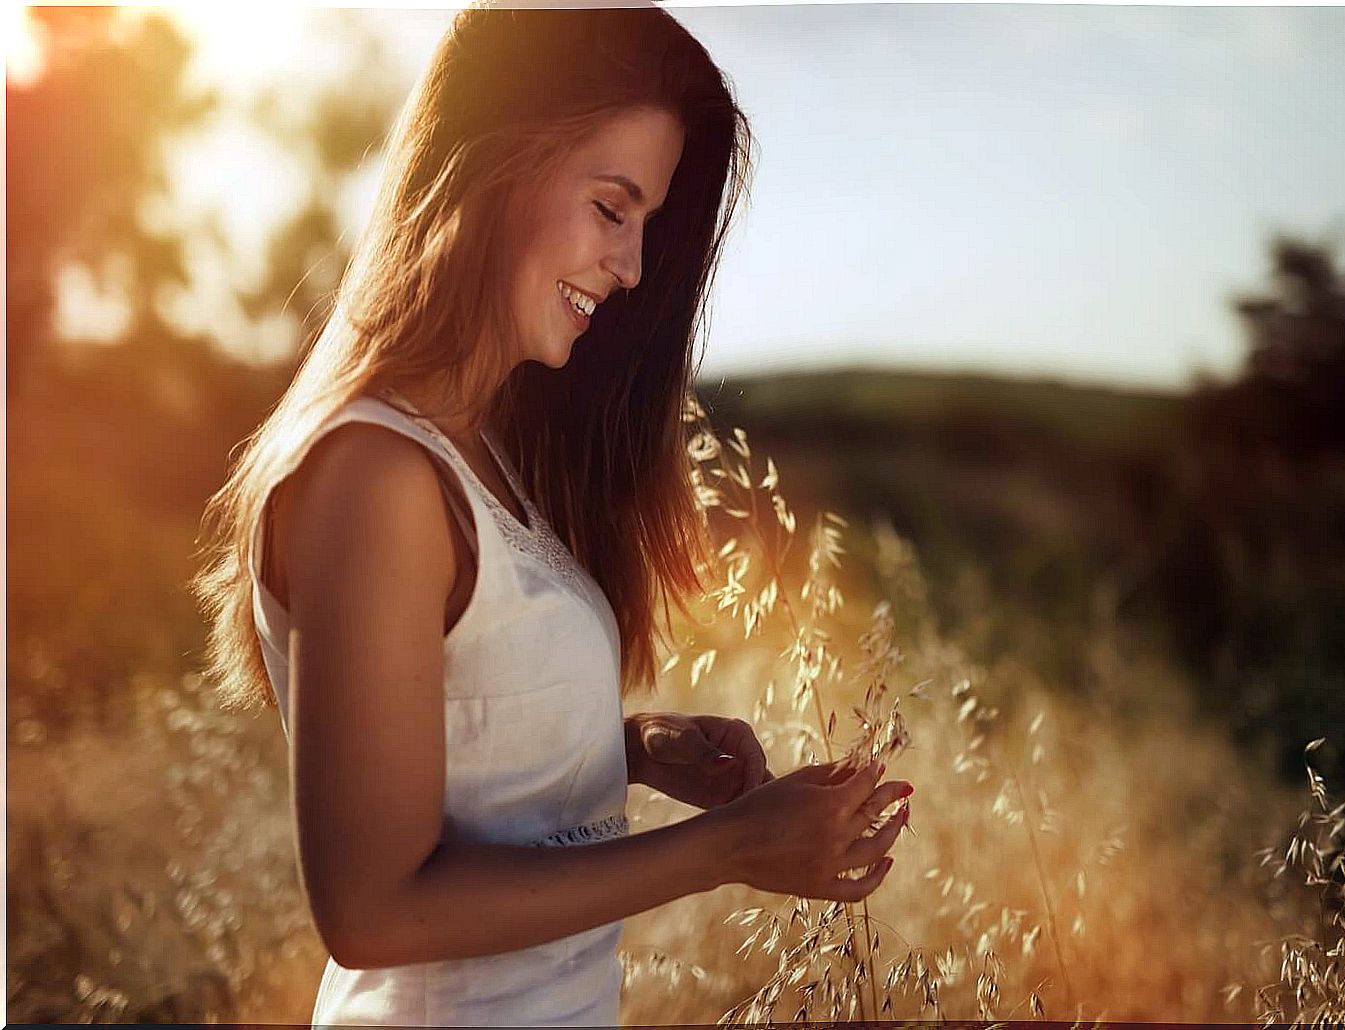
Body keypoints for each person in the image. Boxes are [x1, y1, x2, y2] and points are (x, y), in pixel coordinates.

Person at [190, 3, 911, 1026]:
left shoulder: (486, 464)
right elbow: (371, 910)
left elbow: (464, 758)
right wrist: (729, 850)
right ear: (489, 165)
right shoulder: (376, 475)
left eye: (647, 226)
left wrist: (634, 750)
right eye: (612, 209)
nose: (631, 270)